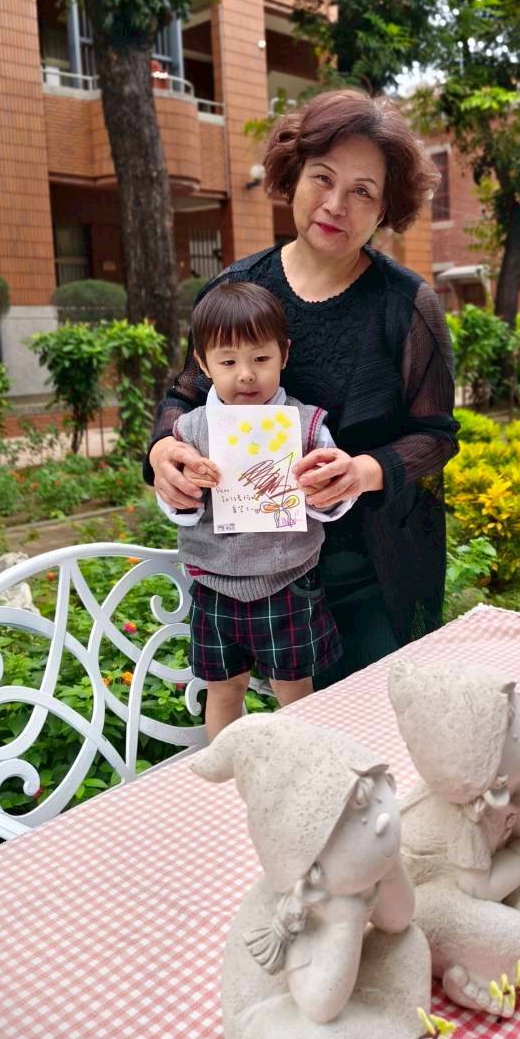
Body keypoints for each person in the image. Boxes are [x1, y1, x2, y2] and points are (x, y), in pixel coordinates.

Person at [145, 89, 458, 687]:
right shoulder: (237, 288)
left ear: (385, 208)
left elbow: (437, 435)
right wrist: (164, 452)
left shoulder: (407, 305)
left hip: (369, 571)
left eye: (363, 191)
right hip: (254, 580)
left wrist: (362, 471)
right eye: (323, 177)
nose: (336, 204)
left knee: (377, 722)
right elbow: (184, 395)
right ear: (294, 175)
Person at [159, 282, 352, 738]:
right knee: (224, 690)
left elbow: (335, 495)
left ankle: (302, 765)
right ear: (203, 363)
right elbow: (175, 504)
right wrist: (186, 493)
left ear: (284, 354)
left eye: (260, 358)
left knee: (295, 689)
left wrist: (323, 492)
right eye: (228, 362)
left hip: (288, 579)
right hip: (214, 584)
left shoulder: (306, 425)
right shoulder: (189, 431)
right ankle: (226, 771)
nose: (246, 375)